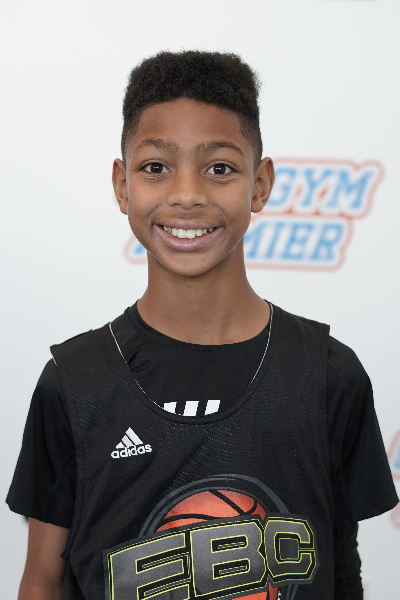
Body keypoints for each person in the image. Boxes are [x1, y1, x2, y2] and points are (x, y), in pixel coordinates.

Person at [7, 51, 398, 600]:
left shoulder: (329, 375)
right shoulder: (73, 384)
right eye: (155, 167)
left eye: (219, 168)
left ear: (260, 184)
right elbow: (42, 582)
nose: (187, 194)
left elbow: (341, 575)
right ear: (122, 185)